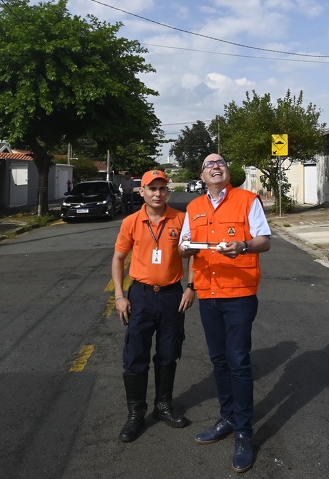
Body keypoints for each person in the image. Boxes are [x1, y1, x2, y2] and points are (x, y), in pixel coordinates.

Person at [179, 154, 271, 474]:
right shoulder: (193, 208)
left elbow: (264, 240)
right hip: (208, 295)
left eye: (221, 163)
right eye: (209, 165)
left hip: (240, 294)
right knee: (219, 361)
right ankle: (228, 418)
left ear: (228, 172)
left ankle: (244, 432)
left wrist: (244, 246)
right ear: (202, 175)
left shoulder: (247, 200)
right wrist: (186, 250)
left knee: (238, 361)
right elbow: (183, 246)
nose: (215, 166)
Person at [112, 169, 194, 443]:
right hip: (141, 296)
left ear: (167, 191)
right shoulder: (132, 222)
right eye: (152, 189)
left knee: (169, 352)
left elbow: (194, 255)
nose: (157, 193)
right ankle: (136, 413)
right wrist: (119, 296)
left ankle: (163, 406)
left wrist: (191, 286)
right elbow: (118, 258)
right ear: (142, 192)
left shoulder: (181, 220)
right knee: (136, 354)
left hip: (172, 296)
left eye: (162, 188)